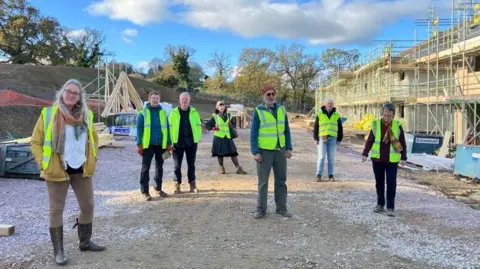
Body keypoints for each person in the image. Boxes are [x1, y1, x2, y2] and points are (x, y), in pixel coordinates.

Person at [30, 79, 105, 266]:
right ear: (62, 93)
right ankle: (59, 252)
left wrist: (93, 159)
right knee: (56, 209)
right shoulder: (49, 114)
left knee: (88, 206)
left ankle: (85, 242)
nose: (71, 94)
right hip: (57, 169)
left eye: (75, 92)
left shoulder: (86, 115)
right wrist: (43, 164)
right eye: (68, 91)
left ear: (80, 97)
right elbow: (35, 142)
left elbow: (94, 140)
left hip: (81, 168)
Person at [250, 86, 293, 219]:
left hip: (280, 150)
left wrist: (289, 147)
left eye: (273, 94)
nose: (271, 96)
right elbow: (253, 133)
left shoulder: (281, 109)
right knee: (263, 182)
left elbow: (286, 130)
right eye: (268, 94)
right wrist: (255, 151)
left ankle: (281, 208)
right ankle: (261, 209)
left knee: (281, 180)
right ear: (263, 96)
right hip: (264, 152)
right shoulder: (258, 111)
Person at [362, 103, 407, 217]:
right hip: (378, 159)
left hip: (392, 160)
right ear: (383, 113)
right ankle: (380, 204)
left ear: (393, 115)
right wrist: (365, 153)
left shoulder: (397, 125)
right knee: (380, 183)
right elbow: (370, 140)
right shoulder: (376, 124)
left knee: (391, 183)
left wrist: (404, 156)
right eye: (385, 114)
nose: (386, 116)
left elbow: (402, 142)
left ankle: (390, 207)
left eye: (389, 115)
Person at [136, 91, 172, 201]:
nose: (155, 100)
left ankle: (158, 188)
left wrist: (169, 143)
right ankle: (145, 191)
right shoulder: (143, 113)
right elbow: (139, 129)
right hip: (148, 145)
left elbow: (167, 128)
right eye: (153, 98)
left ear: (159, 100)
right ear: (149, 99)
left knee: (159, 167)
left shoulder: (163, 113)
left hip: (161, 145)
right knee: (145, 168)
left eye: (157, 98)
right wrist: (139, 144)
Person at [169, 92, 203, 194]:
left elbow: (198, 126)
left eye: (186, 99)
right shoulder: (173, 113)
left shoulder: (194, 112)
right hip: (177, 143)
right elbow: (169, 128)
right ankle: (177, 185)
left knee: (191, 165)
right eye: (182, 99)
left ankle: (192, 185)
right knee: (177, 166)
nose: (184, 101)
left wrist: (197, 138)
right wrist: (170, 142)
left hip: (191, 143)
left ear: (189, 101)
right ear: (179, 100)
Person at [204, 101, 247, 175]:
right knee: (220, 154)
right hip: (219, 137)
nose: (221, 107)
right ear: (217, 107)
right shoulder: (215, 116)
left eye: (223, 105)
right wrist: (214, 128)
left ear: (225, 107)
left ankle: (238, 168)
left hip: (228, 137)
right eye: (220, 106)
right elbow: (208, 125)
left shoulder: (229, 115)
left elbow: (233, 125)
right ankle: (222, 167)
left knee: (233, 153)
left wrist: (232, 128)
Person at [313, 98, 343, 182]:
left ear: (333, 105)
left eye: (331, 103)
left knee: (331, 158)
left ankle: (330, 175)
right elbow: (316, 127)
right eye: (328, 103)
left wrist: (340, 138)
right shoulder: (320, 114)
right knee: (321, 157)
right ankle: (319, 175)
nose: (329, 105)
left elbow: (340, 128)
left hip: (333, 138)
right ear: (325, 104)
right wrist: (315, 138)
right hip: (322, 138)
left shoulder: (336, 115)